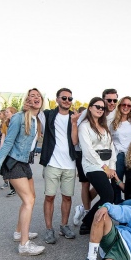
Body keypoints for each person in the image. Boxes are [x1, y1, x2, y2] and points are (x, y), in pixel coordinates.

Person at [0, 88, 45, 255]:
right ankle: (24, 244)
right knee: (28, 201)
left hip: (25, 163)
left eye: (38, 96)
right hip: (13, 163)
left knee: (31, 198)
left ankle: (19, 232)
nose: (35, 98)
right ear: (26, 100)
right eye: (31, 96)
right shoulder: (19, 117)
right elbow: (8, 143)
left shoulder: (37, 119)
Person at [72, 89, 118, 226]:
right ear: (90, 108)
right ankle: (88, 221)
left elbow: (111, 148)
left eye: (102, 108)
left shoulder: (104, 126)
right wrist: (105, 168)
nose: (100, 109)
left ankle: (89, 220)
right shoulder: (84, 126)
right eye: (97, 106)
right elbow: (88, 151)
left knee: (107, 195)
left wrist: (112, 168)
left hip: (106, 165)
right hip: (92, 165)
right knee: (109, 195)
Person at [39, 88, 79, 243]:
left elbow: (75, 142)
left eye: (70, 98)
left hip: (69, 163)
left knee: (67, 197)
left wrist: (74, 123)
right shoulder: (48, 115)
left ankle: (64, 225)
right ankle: (49, 229)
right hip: (52, 163)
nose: (67, 101)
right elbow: (36, 107)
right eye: (64, 98)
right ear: (57, 99)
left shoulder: (74, 117)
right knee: (49, 196)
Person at [111, 96, 131, 204]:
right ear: (119, 106)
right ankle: (117, 203)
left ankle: (129, 203)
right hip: (118, 155)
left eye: (129, 105)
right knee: (116, 180)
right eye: (124, 104)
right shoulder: (113, 122)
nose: (126, 107)